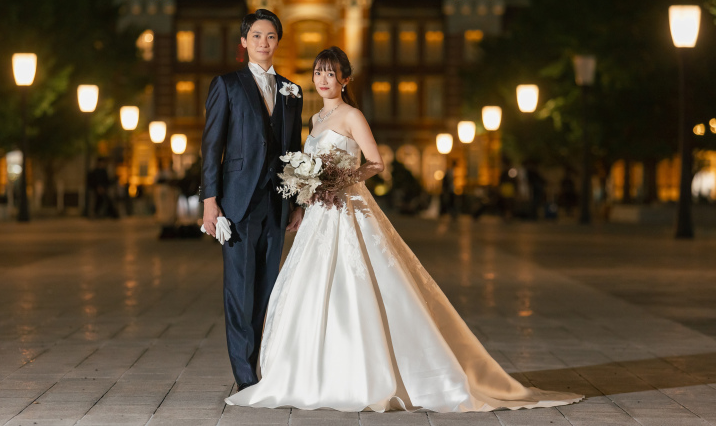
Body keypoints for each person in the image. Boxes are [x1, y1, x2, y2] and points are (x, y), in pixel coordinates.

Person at [226, 47, 582, 413]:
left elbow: (376, 163)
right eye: (319, 72)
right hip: (319, 213)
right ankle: (308, 371)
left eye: (331, 73)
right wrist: (307, 189)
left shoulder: (352, 115)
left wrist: (340, 178)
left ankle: (381, 373)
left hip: (348, 207)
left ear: (345, 79)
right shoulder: (315, 120)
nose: (323, 79)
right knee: (313, 286)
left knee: (360, 284)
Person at [200, 9, 304, 392]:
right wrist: (210, 201)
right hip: (237, 202)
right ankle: (245, 378)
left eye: (271, 36)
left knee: (267, 290)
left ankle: (258, 364)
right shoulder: (226, 85)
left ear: (278, 41)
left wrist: (296, 202)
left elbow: (293, 150)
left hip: (276, 203)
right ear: (244, 42)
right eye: (257, 36)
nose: (264, 42)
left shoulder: (293, 91)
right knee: (240, 293)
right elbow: (211, 147)